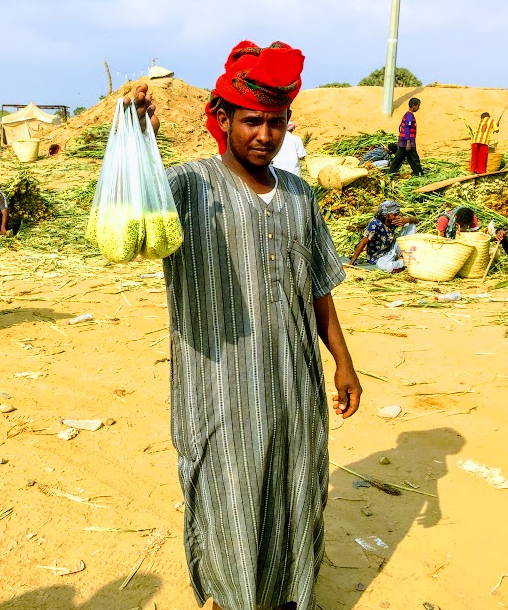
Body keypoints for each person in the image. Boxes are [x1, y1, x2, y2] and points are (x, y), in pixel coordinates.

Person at [132, 40, 362, 610]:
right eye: (251, 121)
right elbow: (131, 213)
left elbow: (318, 286)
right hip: (219, 385)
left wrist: (343, 362)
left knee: (296, 485)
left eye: (276, 123)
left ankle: (288, 593)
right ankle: (232, 597)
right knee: (227, 490)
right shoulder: (187, 188)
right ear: (224, 118)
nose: (264, 135)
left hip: (293, 380)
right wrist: (137, 138)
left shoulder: (301, 197)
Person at [350, 200, 418, 272]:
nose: (397, 217)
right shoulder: (375, 224)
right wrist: (351, 263)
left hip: (392, 250)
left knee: (411, 225)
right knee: (386, 266)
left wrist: (407, 220)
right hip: (379, 258)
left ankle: (402, 258)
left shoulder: (395, 221)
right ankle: (404, 262)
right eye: (395, 215)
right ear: (386, 215)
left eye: (398, 214)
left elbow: (416, 220)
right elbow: (363, 243)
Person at [388, 98, 424, 176]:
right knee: (414, 159)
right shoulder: (409, 116)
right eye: (418, 106)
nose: (419, 108)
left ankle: (390, 173)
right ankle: (420, 174)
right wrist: (408, 142)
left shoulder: (407, 115)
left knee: (399, 158)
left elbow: (401, 126)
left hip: (403, 140)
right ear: (413, 106)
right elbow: (406, 127)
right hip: (408, 141)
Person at [271, 109, 307, 177]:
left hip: (278, 171)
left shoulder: (275, 139)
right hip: (294, 171)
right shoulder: (296, 139)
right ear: (292, 129)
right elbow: (302, 155)